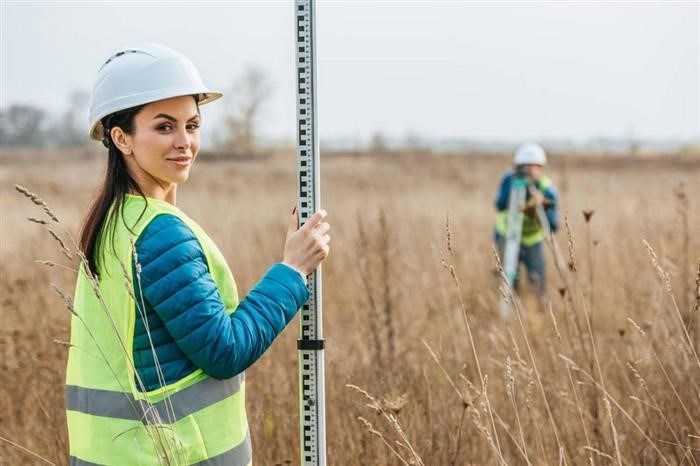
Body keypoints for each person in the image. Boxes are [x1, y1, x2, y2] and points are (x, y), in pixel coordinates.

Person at [65, 43, 330, 465]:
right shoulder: (158, 233)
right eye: (165, 127)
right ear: (122, 138)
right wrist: (292, 272)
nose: (184, 142)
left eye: (192, 125)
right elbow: (224, 350)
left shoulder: (115, 221)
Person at [494, 142, 558, 297]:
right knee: (508, 280)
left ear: (541, 167)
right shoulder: (509, 180)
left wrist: (541, 205)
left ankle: (540, 312)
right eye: (524, 166)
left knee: (537, 282)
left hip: (532, 241)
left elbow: (553, 226)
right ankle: (511, 310)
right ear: (516, 166)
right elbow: (499, 205)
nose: (528, 170)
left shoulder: (547, 189)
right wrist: (512, 190)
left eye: (533, 166)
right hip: (507, 236)